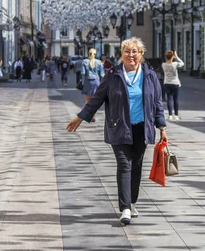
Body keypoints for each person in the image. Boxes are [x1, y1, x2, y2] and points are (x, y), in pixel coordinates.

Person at [66, 37, 168, 225]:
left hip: (142, 128)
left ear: (141, 54)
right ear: (122, 54)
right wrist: (81, 117)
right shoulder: (113, 75)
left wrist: (161, 126)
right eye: (127, 51)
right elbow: (97, 98)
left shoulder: (150, 75)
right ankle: (125, 208)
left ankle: (132, 201)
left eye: (134, 52)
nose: (131, 55)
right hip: (119, 127)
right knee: (124, 165)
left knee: (136, 166)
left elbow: (156, 103)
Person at [81, 48, 104, 122]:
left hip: (88, 82)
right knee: (95, 100)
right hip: (96, 82)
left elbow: (83, 73)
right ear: (95, 54)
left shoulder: (85, 61)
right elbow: (102, 74)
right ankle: (94, 116)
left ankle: (89, 115)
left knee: (88, 100)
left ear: (88, 53)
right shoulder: (99, 62)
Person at [162, 50, 185, 121]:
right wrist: (177, 57)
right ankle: (176, 115)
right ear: (172, 57)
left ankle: (170, 115)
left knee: (169, 99)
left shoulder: (163, 65)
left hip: (167, 83)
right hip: (175, 83)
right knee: (176, 99)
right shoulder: (175, 64)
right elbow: (182, 64)